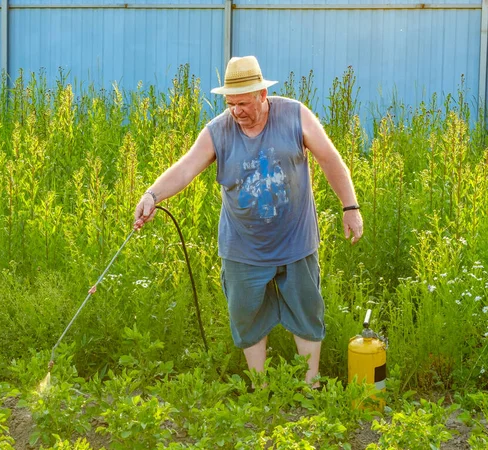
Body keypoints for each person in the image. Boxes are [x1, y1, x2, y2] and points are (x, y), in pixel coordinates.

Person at [133, 56, 363, 388]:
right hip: (243, 246)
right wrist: (152, 195)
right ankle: (260, 388)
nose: (236, 111)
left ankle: (311, 387)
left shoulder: (295, 116)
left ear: (261, 95)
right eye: (230, 104)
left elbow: (329, 158)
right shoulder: (218, 131)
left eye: (243, 103)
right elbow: (185, 169)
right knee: (246, 316)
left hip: (296, 240)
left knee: (307, 312)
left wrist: (350, 206)